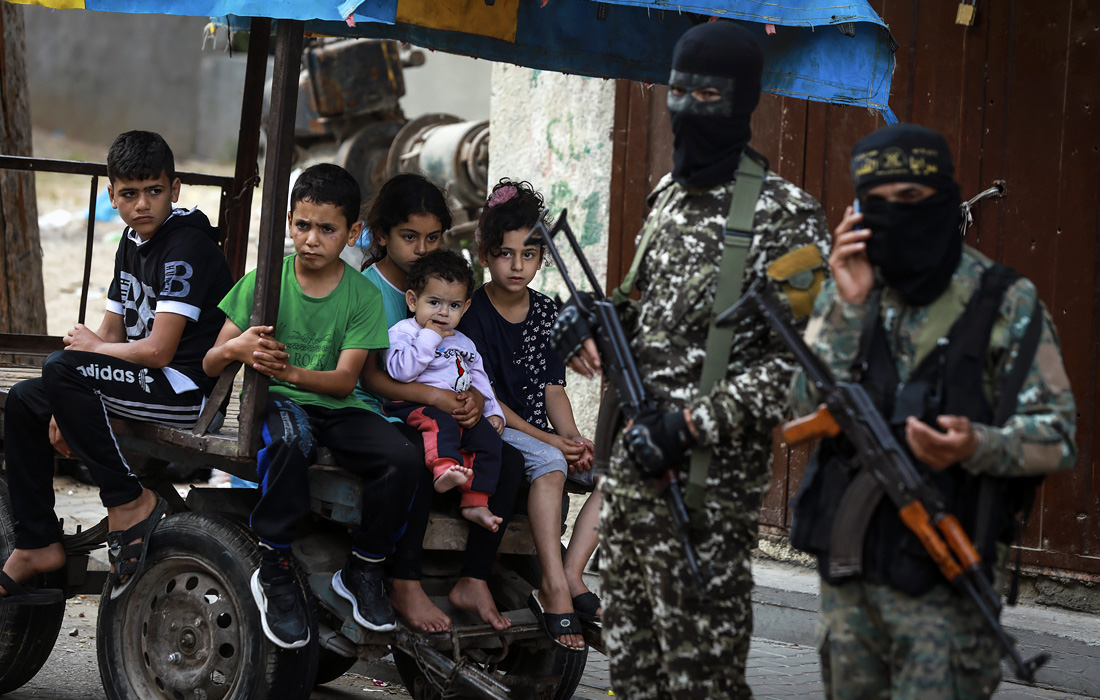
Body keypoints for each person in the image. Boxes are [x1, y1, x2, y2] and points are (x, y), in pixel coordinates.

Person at [559, 20, 830, 698]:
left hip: (704, 498)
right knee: (631, 677)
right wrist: (586, 323)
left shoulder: (786, 217)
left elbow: (805, 372)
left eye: (704, 96)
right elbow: (637, 310)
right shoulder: (668, 199)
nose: (684, 108)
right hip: (630, 490)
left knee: (700, 684)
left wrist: (689, 425)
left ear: (742, 103)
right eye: (675, 91)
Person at [788, 123, 1078, 699]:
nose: (894, 214)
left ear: (945, 197)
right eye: (877, 202)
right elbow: (796, 409)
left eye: (911, 199)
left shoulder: (1004, 300)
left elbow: (1057, 435)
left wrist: (976, 444)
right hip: (851, 591)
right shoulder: (851, 289)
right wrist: (845, 307)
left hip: (945, 595)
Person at [0, 130, 233, 604]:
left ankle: (128, 500)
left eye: (154, 191)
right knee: (26, 400)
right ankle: (36, 542)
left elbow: (158, 351)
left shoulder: (186, 246)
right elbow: (110, 335)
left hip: (183, 391)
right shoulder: (131, 242)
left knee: (61, 366)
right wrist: (66, 398)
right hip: (144, 380)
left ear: (176, 188)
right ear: (112, 196)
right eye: (129, 194)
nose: (142, 204)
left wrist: (78, 364)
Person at [202, 163, 421, 648]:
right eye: (303, 225)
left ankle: (364, 566)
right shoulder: (266, 282)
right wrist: (238, 350)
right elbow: (211, 361)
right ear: (289, 223)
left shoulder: (362, 295)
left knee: (403, 456)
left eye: (328, 229)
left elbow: (345, 383)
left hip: (336, 406)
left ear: (353, 232)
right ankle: (274, 563)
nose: (312, 239)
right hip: (279, 402)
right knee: (291, 440)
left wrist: (287, 370)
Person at [355, 173, 524, 633]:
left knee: (507, 461)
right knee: (414, 458)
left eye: (434, 238)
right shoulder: (370, 290)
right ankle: (405, 580)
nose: (423, 249)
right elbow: (372, 377)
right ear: (382, 234)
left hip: (438, 407)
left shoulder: (443, 293)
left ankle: (474, 576)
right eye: (410, 237)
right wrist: (438, 398)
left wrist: (472, 405)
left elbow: (463, 366)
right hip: (382, 406)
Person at [458, 178, 599, 652]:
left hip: (542, 431)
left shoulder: (545, 310)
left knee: (625, 476)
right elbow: (490, 398)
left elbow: (553, 386)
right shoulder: (472, 313)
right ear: (484, 254)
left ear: (542, 257)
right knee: (551, 463)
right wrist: (553, 444)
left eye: (529, 254)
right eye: (505, 253)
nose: (517, 266)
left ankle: (573, 574)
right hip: (497, 426)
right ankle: (554, 588)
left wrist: (573, 437)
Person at [383, 248, 506, 532]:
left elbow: (479, 379)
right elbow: (400, 371)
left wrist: (492, 410)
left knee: (489, 441)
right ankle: (443, 470)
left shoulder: (463, 342)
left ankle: (476, 501)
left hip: (457, 410)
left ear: (465, 308)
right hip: (411, 405)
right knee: (440, 425)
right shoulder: (403, 333)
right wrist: (428, 337)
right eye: (434, 302)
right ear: (413, 301)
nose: (442, 312)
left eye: (453, 306)